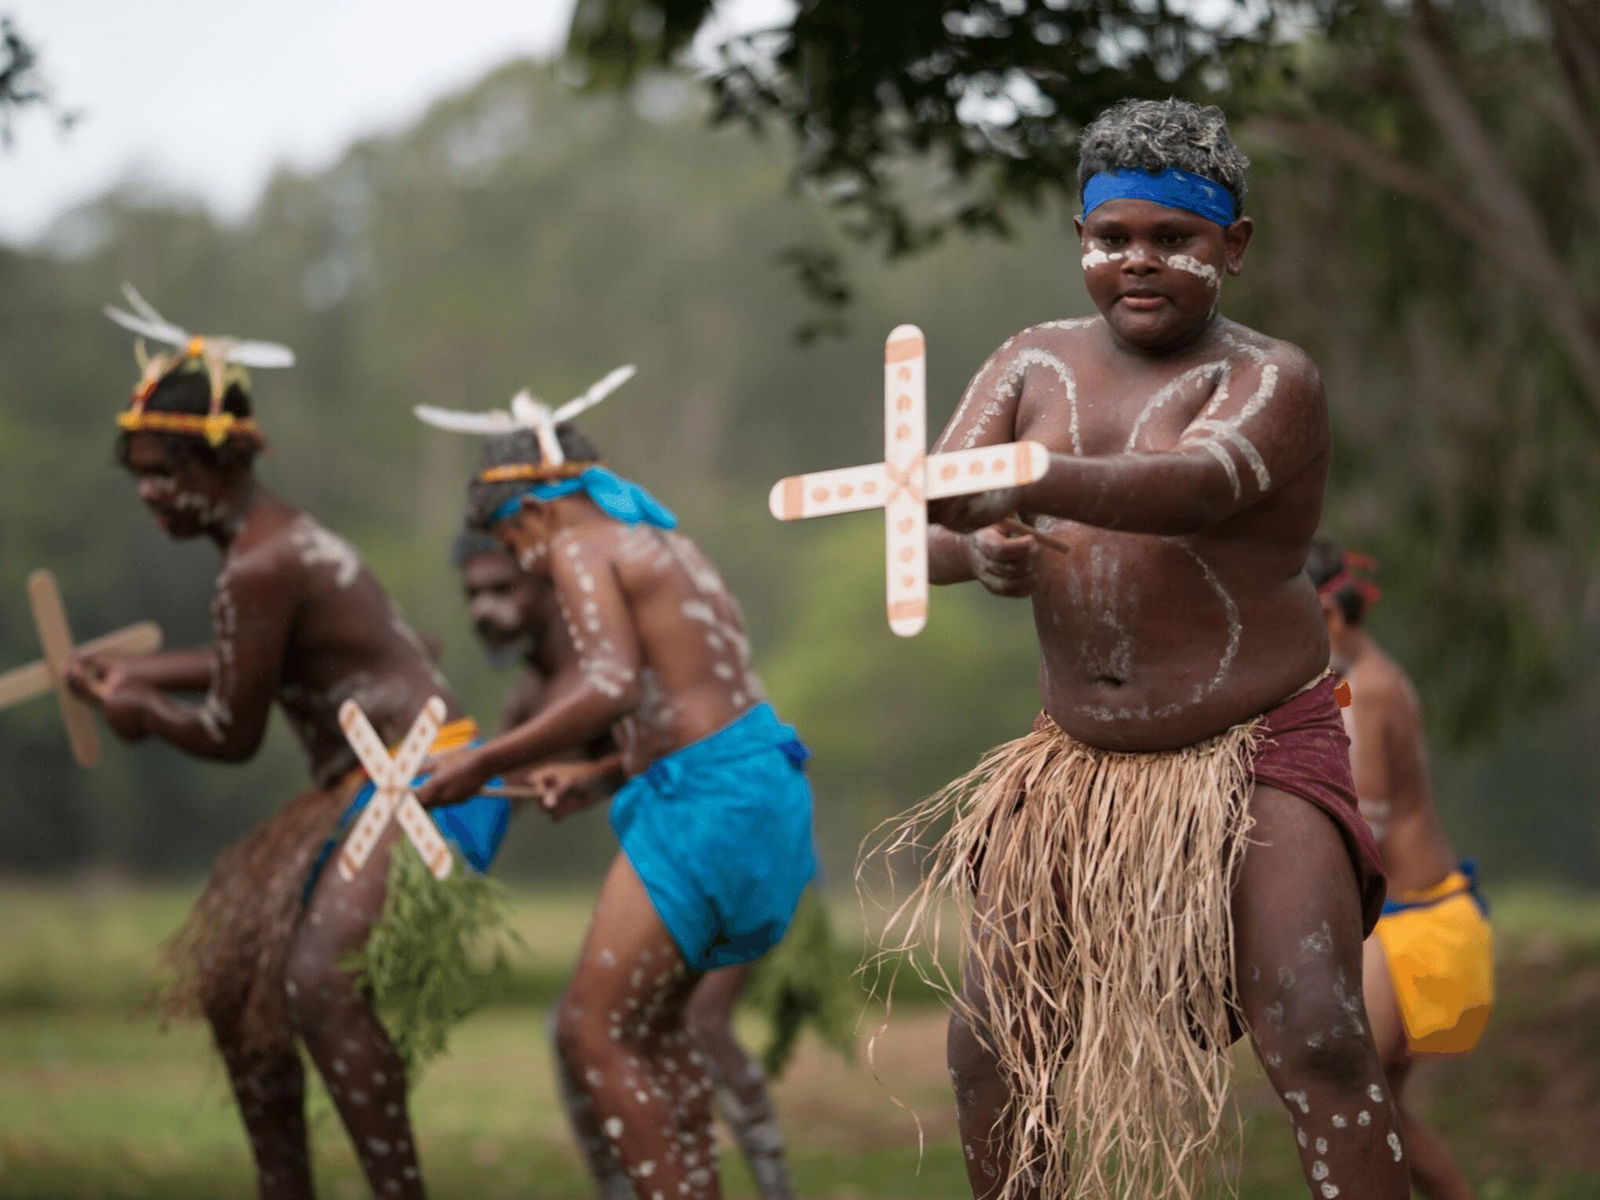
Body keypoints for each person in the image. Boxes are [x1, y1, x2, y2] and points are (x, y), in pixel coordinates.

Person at [868, 98, 1406, 1200]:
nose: (1140, 261)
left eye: (1176, 239)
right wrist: (992, 555)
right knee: (990, 1049)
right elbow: (918, 533)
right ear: (1079, 241)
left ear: (1233, 248)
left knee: (1314, 1031)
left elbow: (1194, 487)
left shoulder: (1270, 381)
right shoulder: (1031, 365)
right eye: (1112, 237)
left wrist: (1030, 484)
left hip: (1254, 750)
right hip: (1074, 767)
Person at [67, 297, 510, 1200]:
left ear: (221, 461)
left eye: (167, 471)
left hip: (427, 779)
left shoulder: (259, 566)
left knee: (318, 979)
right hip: (367, 786)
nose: (152, 491)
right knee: (238, 987)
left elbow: (233, 736)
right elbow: (257, 665)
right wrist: (140, 676)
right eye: (142, 474)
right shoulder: (276, 543)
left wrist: (143, 713)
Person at [420, 423, 816, 1200]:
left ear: (536, 508)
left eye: (511, 538)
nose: (523, 561)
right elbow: (687, 701)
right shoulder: (665, 543)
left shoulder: (578, 546)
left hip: (708, 805)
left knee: (589, 1031)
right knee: (657, 1032)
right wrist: (599, 773)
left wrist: (482, 762)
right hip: (752, 787)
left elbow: (610, 688)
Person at [1308, 539, 1493, 1200]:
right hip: (1412, 913)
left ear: (1329, 620)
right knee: (1372, 1104)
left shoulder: (1367, 690)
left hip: (1412, 920)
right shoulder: (1369, 678)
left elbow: (1368, 824)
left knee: (1356, 1097)